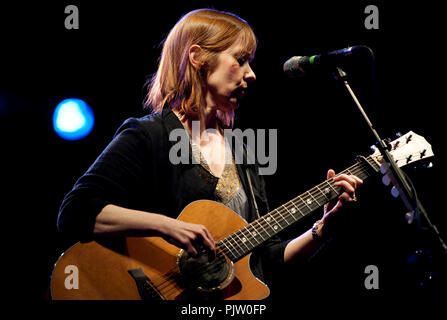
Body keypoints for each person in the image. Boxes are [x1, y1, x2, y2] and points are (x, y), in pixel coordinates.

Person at [57, 8, 362, 297]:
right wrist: (168, 226)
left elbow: (263, 261)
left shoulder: (243, 152)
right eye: (240, 59)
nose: (252, 74)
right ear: (198, 58)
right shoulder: (149, 135)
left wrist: (321, 230)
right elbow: (76, 211)